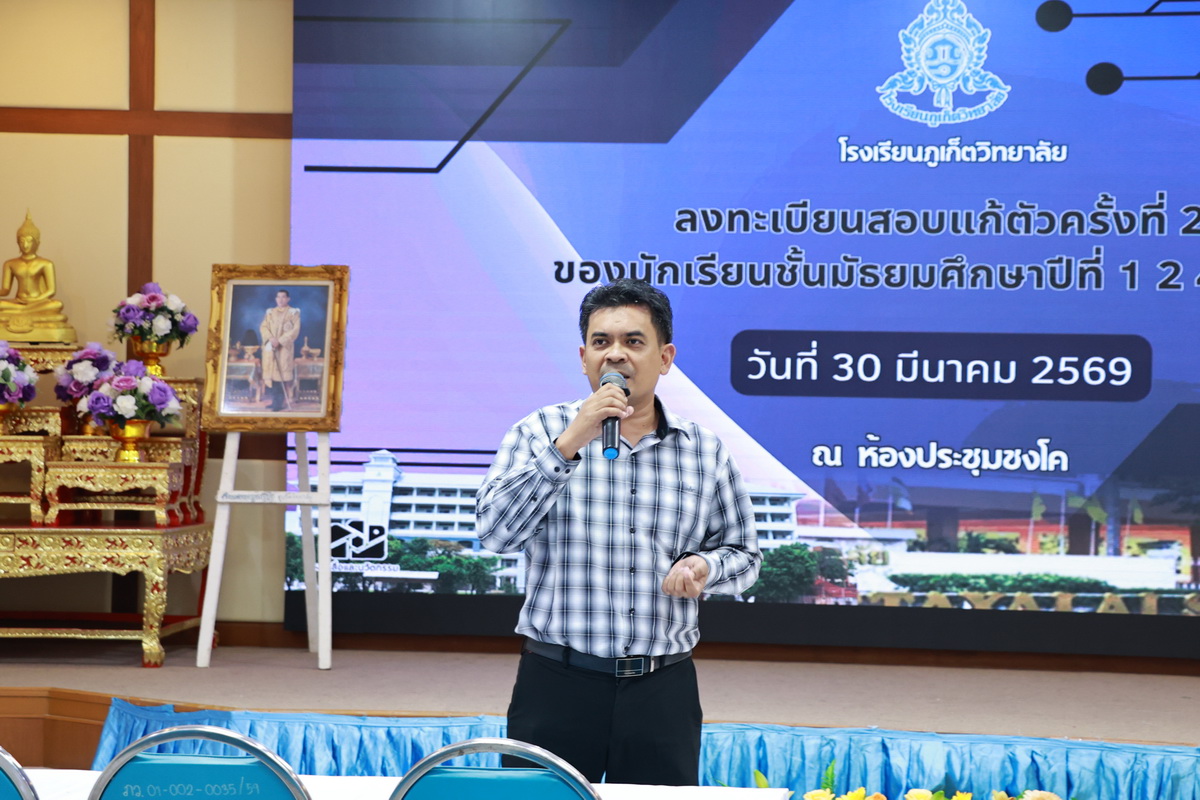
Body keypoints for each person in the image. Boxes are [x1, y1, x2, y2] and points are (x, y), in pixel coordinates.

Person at [476, 279, 760, 786]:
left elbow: (744, 554)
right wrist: (568, 444)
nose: (615, 355)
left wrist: (706, 565)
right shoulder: (537, 432)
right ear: (584, 357)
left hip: (661, 688)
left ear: (665, 357)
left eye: (633, 341)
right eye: (601, 342)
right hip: (556, 682)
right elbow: (495, 535)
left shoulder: (704, 450)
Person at [0, 212, 75, 342]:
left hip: (38, 303)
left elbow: (51, 291)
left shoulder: (45, 263)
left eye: (29, 241)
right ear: (17, 243)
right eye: (22, 241)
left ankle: (23, 312)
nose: (25, 245)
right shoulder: (10, 263)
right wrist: (22, 303)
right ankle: (23, 312)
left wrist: (35, 301)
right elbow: (5, 290)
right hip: (18, 302)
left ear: (37, 242)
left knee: (57, 305)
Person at [259, 289, 300, 411]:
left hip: (283, 349)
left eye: (283, 297)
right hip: (271, 347)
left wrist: (280, 341)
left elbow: (295, 330)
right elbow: (263, 327)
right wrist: (271, 338)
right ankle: (274, 401)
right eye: (278, 297)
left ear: (288, 299)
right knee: (272, 376)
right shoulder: (270, 312)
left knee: (280, 376)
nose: (280, 299)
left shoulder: (293, 313)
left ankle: (279, 403)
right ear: (276, 299)